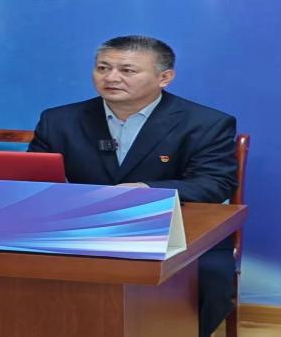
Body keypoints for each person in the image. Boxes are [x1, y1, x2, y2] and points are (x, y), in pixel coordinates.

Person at [28, 35, 237, 337]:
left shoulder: (205, 123)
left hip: (174, 228)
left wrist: (147, 191)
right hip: (82, 227)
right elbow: (34, 180)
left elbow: (215, 183)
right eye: (103, 68)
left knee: (209, 276)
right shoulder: (59, 120)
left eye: (127, 70)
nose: (111, 78)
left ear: (164, 77)